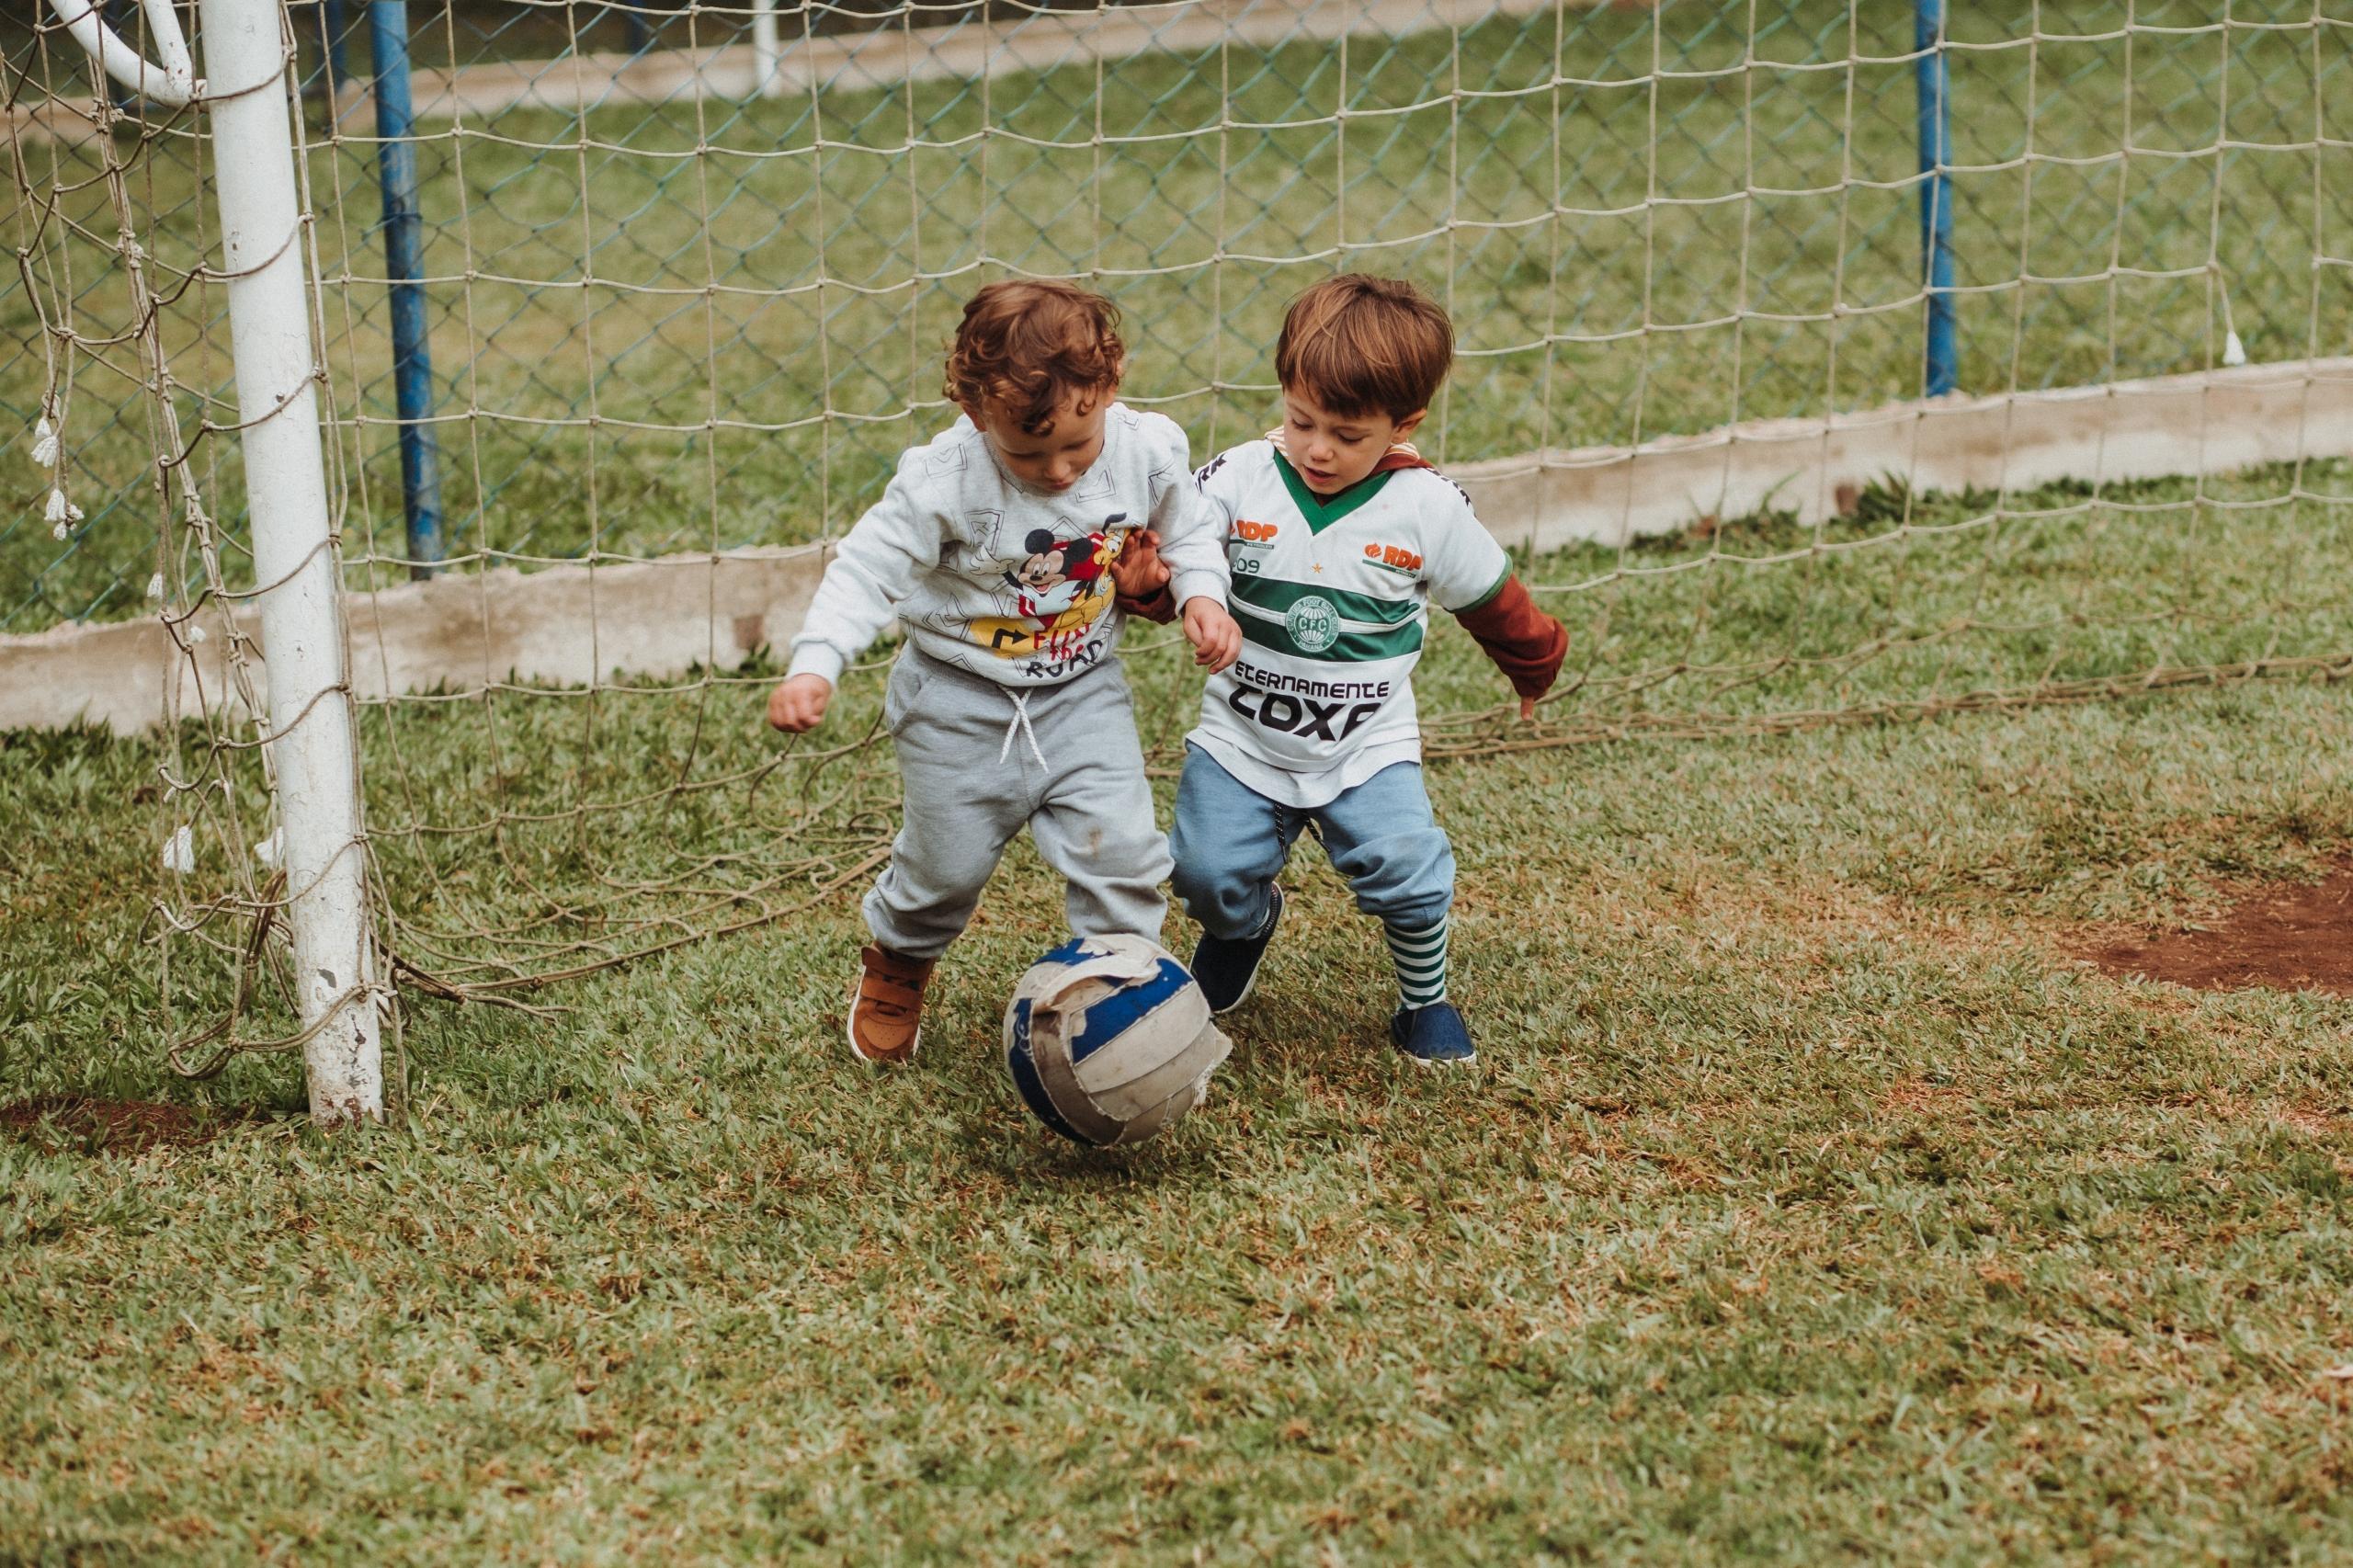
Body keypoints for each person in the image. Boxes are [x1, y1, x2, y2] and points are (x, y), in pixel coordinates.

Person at [766, 280, 1241, 1064]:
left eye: (1076, 447)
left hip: (1083, 694)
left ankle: (1121, 1003)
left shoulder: (1146, 449)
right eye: (1027, 452)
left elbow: (1189, 535)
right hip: (955, 700)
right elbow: (865, 571)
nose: (1058, 472)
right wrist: (816, 665)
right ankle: (900, 960)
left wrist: (1199, 597)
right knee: (942, 871)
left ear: (1108, 389)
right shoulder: (940, 480)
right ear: (973, 411)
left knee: (1121, 855)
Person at [1127, 275, 1567, 1065]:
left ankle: (1423, 1003)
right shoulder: (1237, 479)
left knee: (1408, 868)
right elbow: (1183, 570)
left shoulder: (1428, 508)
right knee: (1202, 870)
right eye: (1302, 421)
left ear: (1404, 425)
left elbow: (1494, 600)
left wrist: (1534, 666)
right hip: (1242, 738)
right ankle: (1244, 924)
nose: (1318, 447)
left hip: (1365, 742)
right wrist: (1153, 590)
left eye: (1347, 433)